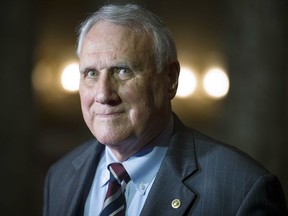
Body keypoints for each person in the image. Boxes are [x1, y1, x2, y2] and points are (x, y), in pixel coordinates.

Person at [43, 3, 288, 216]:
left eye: (123, 70)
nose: (104, 94)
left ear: (170, 79)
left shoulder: (242, 189)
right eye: (91, 73)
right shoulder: (60, 176)